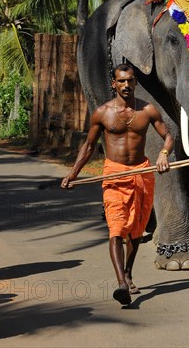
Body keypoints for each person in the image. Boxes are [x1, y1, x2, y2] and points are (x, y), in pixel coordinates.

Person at [61, 63, 174, 305]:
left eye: (130, 80)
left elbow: (168, 136)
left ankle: (129, 273)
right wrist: (73, 173)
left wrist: (164, 154)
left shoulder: (147, 110)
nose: (126, 85)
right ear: (114, 84)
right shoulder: (102, 113)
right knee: (116, 228)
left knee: (135, 229)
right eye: (121, 81)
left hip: (142, 173)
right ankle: (121, 282)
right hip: (113, 174)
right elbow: (89, 146)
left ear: (135, 82)